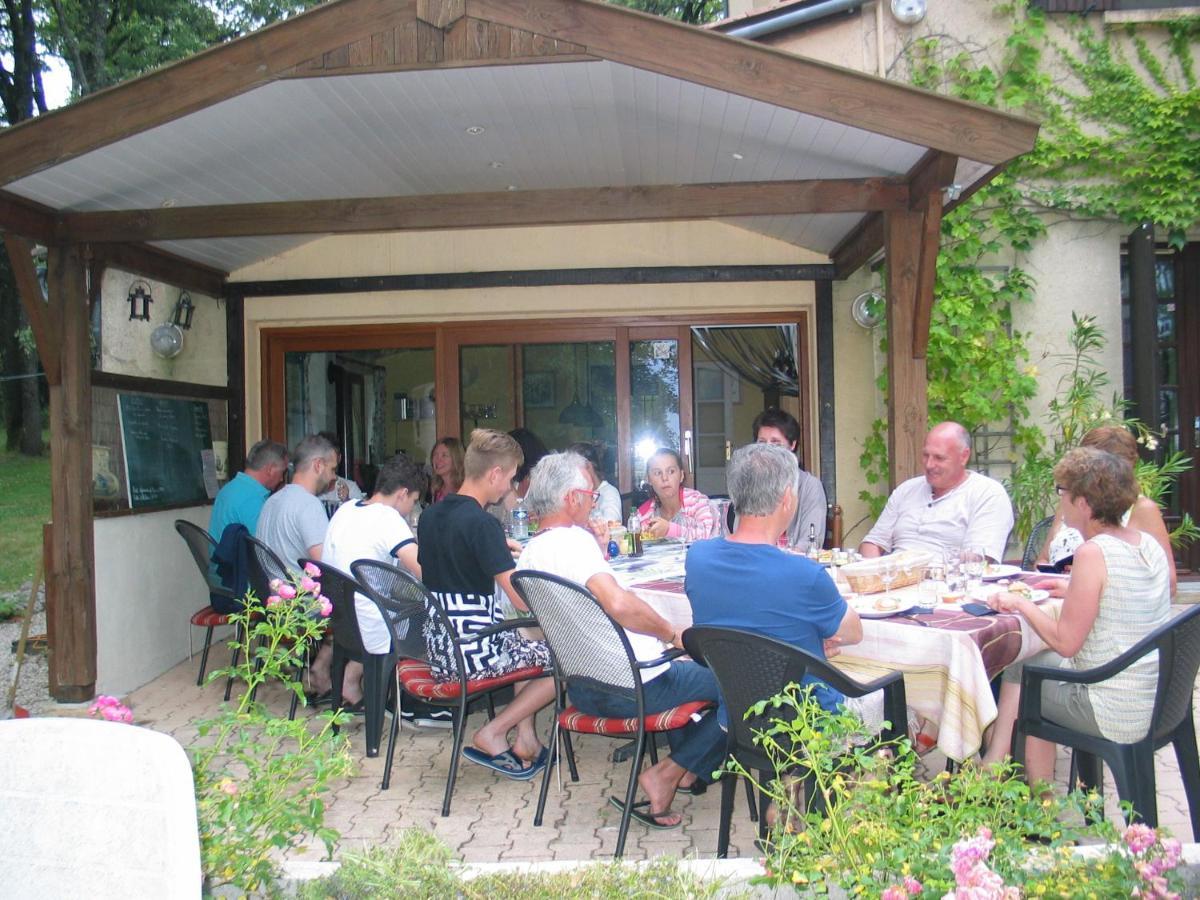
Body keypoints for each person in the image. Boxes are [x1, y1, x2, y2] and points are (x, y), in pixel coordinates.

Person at [519, 452, 724, 828]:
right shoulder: (571, 543)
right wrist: (670, 632)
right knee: (738, 681)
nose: (594, 500)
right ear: (571, 499)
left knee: (689, 668)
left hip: (582, 688)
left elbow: (541, 612)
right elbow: (618, 604)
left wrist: (597, 554)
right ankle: (672, 771)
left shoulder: (531, 553)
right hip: (636, 685)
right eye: (590, 494)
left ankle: (690, 769)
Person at [981, 447, 1172, 788]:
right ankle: (994, 765)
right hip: (1153, 696)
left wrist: (1021, 604)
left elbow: (1066, 643)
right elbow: (1119, 594)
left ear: (1083, 503)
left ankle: (1038, 809)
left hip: (1111, 707)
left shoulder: (1092, 552)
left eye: (1063, 493)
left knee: (1031, 687)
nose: (1061, 501)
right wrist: (1071, 586)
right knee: (1028, 662)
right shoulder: (1146, 544)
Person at [688, 443, 863, 725]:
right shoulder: (805, 574)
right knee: (905, 706)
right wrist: (816, 639)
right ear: (787, 498)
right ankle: (860, 768)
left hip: (736, 719)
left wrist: (808, 640)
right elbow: (853, 633)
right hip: (809, 723)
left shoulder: (698, 558)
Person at [417, 429, 555, 779]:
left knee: (527, 642)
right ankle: (493, 732)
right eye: (509, 479)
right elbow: (520, 600)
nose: (509, 488)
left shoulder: (431, 516)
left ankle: (526, 740)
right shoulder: (482, 524)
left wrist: (496, 548)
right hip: (472, 653)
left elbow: (452, 564)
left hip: (439, 647)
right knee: (565, 658)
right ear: (494, 474)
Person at [321, 452, 450, 728]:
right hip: (372, 625)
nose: (411, 509)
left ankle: (373, 688)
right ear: (403, 493)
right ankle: (416, 702)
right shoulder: (387, 519)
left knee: (411, 604)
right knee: (435, 614)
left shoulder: (346, 509)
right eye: (414, 501)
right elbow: (426, 573)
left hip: (344, 624)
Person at [1038, 424, 1176, 596]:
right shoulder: (1072, 500)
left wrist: (1084, 588)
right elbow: (1042, 559)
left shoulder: (1142, 508)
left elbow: (1168, 584)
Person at [257, 433, 343, 700]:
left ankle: (320, 669)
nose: (332, 478)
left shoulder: (272, 501)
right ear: (317, 465)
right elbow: (326, 566)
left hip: (274, 603)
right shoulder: (307, 506)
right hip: (302, 608)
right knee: (364, 607)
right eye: (331, 469)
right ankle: (326, 671)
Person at [859, 421, 1013, 563]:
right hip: (892, 582)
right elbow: (872, 543)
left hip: (947, 586)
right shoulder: (907, 489)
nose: (929, 464)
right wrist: (875, 572)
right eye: (926, 455)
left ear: (964, 456)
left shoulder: (987, 493)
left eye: (939, 458)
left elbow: (979, 561)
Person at [751, 408, 827, 552]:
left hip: (793, 565)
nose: (768, 450)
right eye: (761, 442)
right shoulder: (751, 485)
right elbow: (741, 536)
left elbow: (810, 543)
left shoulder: (810, 486)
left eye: (776, 443)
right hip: (757, 564)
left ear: (792, 445)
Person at [208, 439, 288, 541]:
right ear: (270, 469)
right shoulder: (252, 500)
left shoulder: (229, 488)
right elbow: (269, 547)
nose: (282, 479)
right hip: (237, 557)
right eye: (282, 472)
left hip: (220, 556)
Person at [636, 448, 717, 541]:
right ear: (649, 479)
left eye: (671, 471)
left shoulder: (697, 502)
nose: (664, 478)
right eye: (657, 473)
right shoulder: (642, 516)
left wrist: (670, 530)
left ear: (681, 475)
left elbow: (709, 535)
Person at [566, 441, 622, 523]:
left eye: (574, 469)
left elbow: (611, 526)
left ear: (588, 466)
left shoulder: (609, 493)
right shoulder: (579, 494)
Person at [315, 430, 364, 508]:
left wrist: (347, 501)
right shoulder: (309, 490)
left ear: (339, 458)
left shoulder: (351, 488)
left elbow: (362, 516)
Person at [428, 437, 464, 503]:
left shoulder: (465, 489)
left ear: (456, 459)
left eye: (444, 455)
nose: (438, 460)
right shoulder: (435, 489)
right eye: (435, 454)